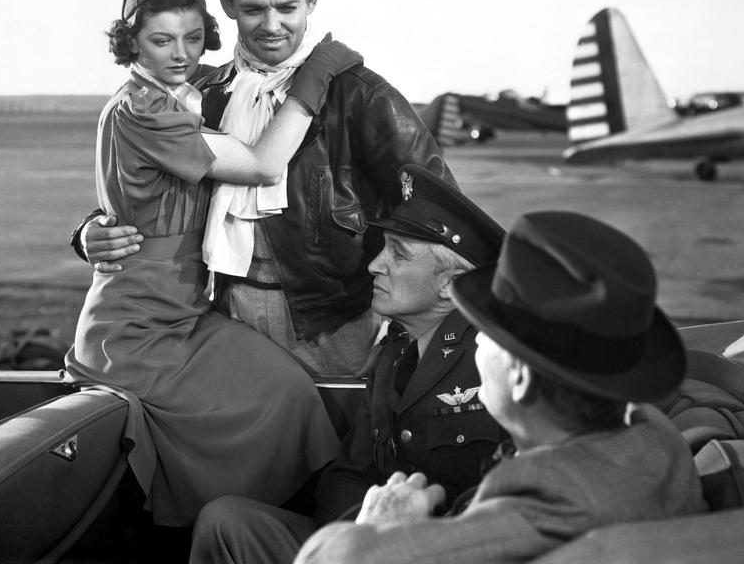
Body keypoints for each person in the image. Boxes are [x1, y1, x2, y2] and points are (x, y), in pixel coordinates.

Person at [64, 0, 356, 527]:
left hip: (189, 310)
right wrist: (317, 75)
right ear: (132, 45)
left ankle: (285, 530)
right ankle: (229, 532)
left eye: (194, 38)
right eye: (161, 42)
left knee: (289, 392)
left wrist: (89, 230)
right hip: (139, 322)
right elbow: (261, 165)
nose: (181, 55)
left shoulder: (191, 89)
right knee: (263, 408)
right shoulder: (143, 109)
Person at [72, 0, 454, 375]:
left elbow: (436, 211)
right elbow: (155, 191)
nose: (272, 25)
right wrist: (90, 232)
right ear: (228, 4)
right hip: (221, 313)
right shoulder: (204, 95)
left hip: (330, 321)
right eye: (254, 9)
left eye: (287, 8)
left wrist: (416, 315)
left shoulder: (360, 95)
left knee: (335, 435)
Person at [294, 211, 708, 564]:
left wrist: (379, 529)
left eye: (485, 336)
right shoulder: (654, 436)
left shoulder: (537, 505)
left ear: (522, 378)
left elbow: (334, 558)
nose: (474, 348)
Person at [188, 164, 507, 564]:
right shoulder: (394, 353)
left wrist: (393, 539)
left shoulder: (490, 358)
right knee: (225, 520)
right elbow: (349, 473)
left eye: (399, 254)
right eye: (383, 247)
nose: (376, 264)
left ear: (448, 285)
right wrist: (357, 533)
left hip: (442, 550)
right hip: (371, 542)